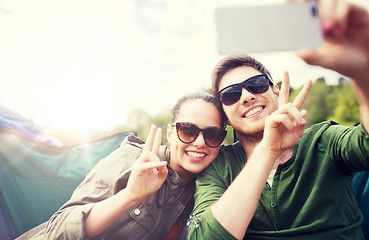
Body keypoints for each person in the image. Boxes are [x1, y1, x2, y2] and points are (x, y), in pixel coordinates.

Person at [188, 0, 369, 239]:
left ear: (275, 90)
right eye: (231, 94)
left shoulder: (324, 140)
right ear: (226, 118)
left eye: (256, 84)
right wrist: (269, 149)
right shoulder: (219, 166)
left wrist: (364, 75)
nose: (246, 96)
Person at [16, 92, 228, 240]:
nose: (200, 142)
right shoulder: (133, 158)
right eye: (188, 130)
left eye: (212, 134)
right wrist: (130, 196)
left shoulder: (212, 185)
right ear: (171, 133)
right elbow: (58, 232)